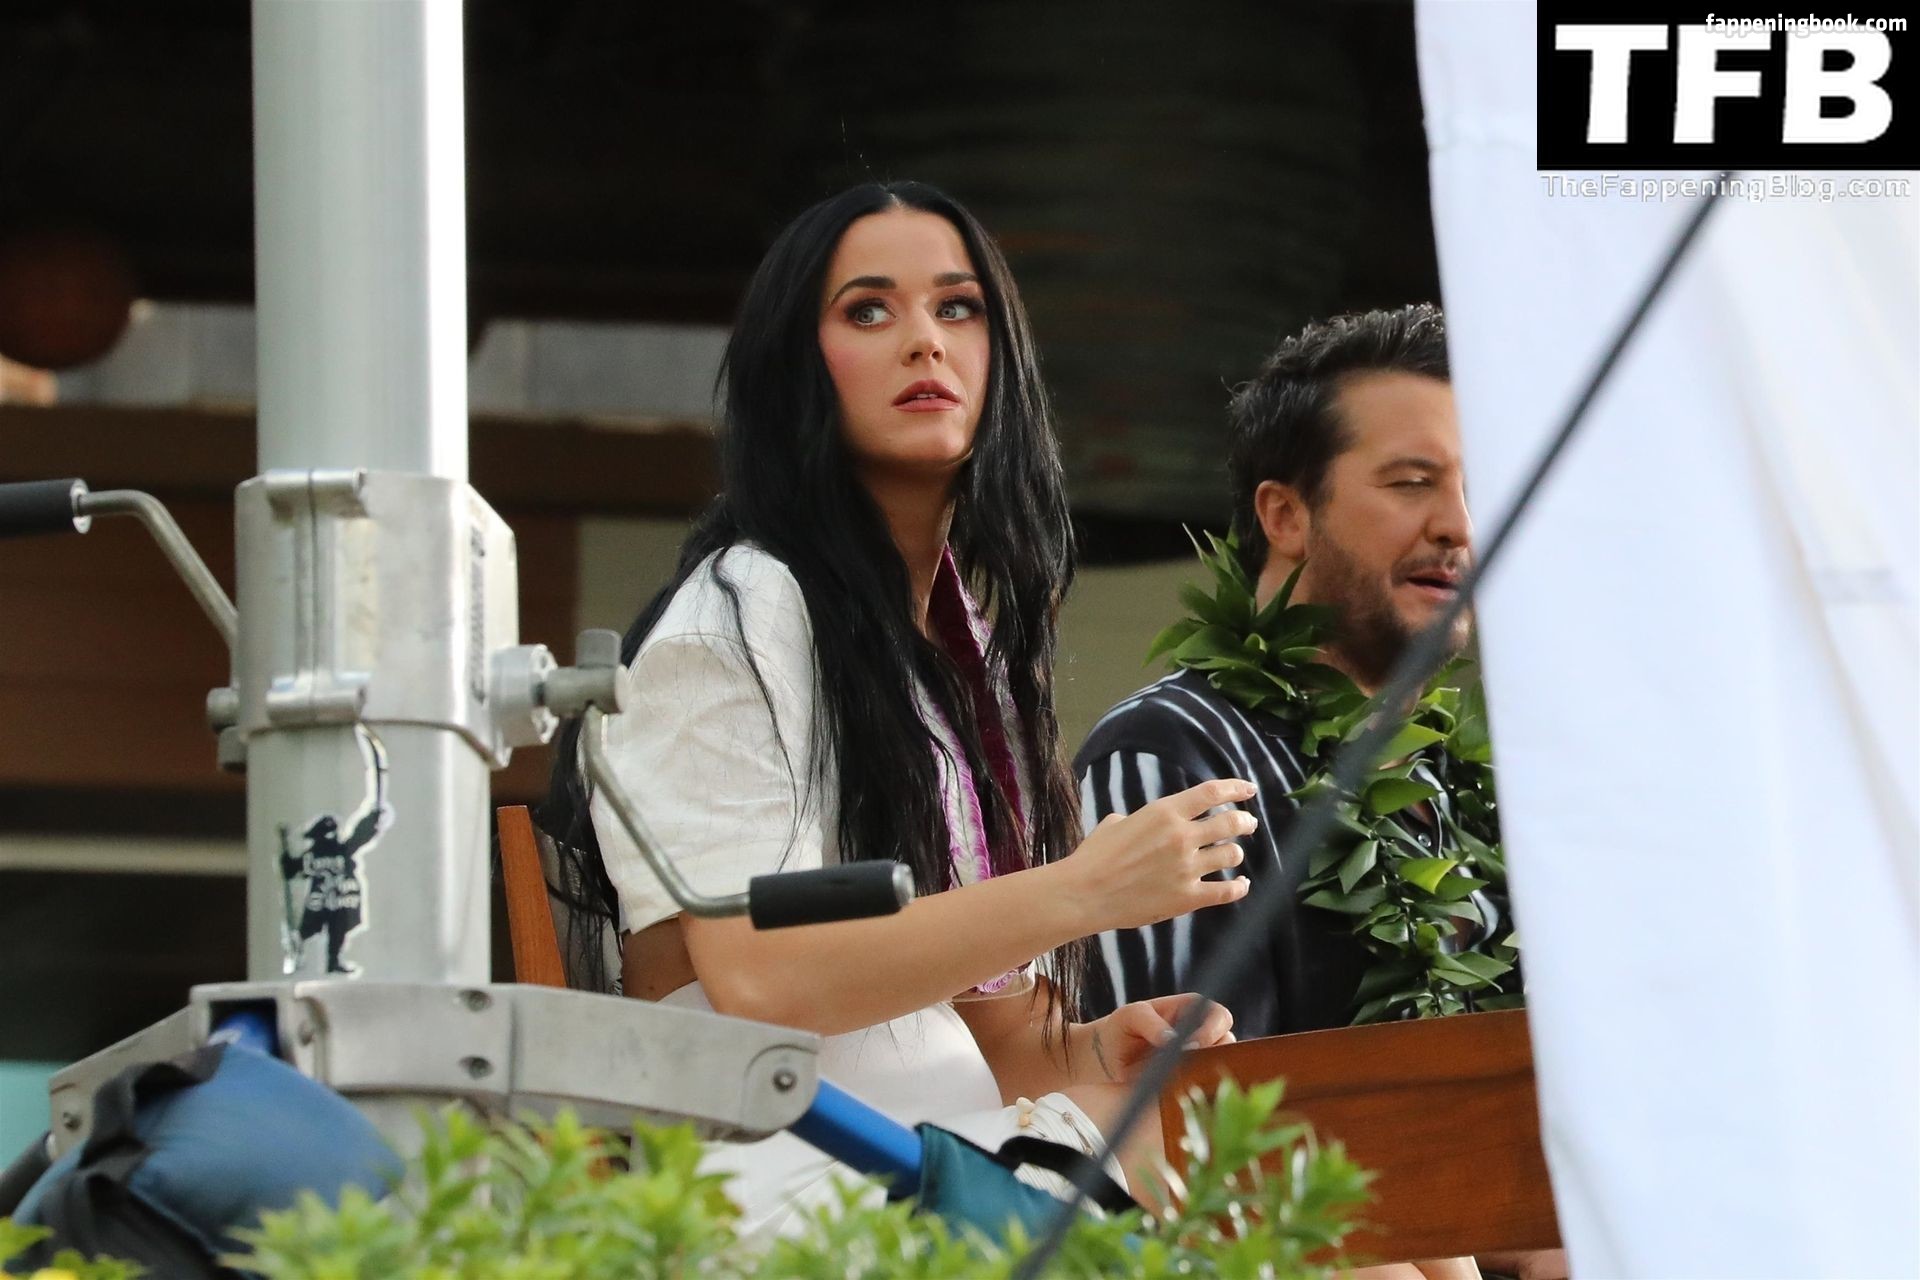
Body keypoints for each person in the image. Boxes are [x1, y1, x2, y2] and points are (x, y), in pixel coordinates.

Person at [539, 181, 1248, 1240]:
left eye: (958, 307)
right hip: (784, 1181)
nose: (925, 340)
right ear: (795, 370)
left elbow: (985, 1031)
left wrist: (1095, 1046)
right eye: (868, 310)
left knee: (1346, 1199)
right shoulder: (734, 617)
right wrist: (1081, 890)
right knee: (1285, 1192)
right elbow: (763, 975)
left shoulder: (963, 653)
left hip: (937, 1147)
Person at [1075, 304, 1472, 1038]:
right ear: (1286, 516)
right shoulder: (1173, 758)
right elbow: (1181, 1099)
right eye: (1413, 482)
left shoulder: (1472, 789)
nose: (1460, 526)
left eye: (1477, 487)